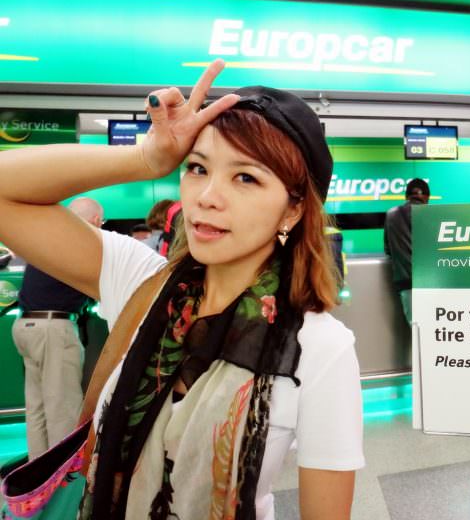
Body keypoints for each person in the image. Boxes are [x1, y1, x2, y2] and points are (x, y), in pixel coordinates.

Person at [0, 60, 364, 519]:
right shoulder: (144, 284)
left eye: (245, 177)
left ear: (293, 209)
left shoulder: (319, 347)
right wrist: (145, 158)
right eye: (197, 168)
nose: (206, 196)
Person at [11, 196, 103, 459]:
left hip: (25, 326)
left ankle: (38, 475)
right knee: (61, 408)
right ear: (96, 220)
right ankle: (62, 479)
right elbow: (100, 290)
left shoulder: (49, 239)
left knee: (37, 409)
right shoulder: (83, 244)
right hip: (54, 329)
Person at [383, 178, 429, 325]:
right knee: (435, 330)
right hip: (431, 283)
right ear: (426, 197)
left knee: (416, 329)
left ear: (406, 196)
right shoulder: (431, 215)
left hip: (406, 284)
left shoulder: (391, 215)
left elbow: (388, 250)